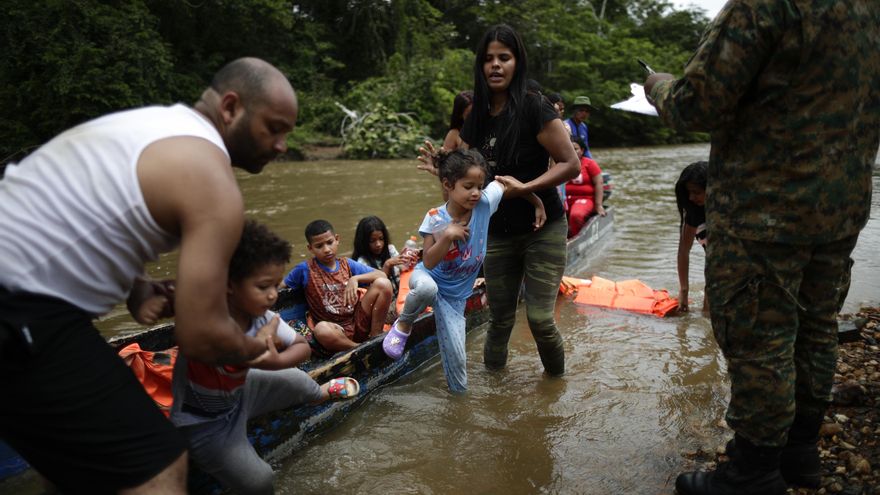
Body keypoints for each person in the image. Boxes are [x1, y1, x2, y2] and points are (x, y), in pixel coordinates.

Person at [0, 57, 299, 493]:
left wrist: (135, 284)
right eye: (274, 128)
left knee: (72, 469)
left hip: (28, 296)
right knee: (160, 469)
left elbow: (74, 216)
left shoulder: (152, 125)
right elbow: (200, 336)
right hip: (21, 303)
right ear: (231, 107)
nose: (282, 145)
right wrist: (256, 346)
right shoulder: (212, 178)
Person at [644, 2, 880, 494]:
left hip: (765, 207)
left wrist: (658, 85)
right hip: (842, 202)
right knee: (815, 328)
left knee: (760, 338)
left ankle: (753, 469)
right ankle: (800, 450)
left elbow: (696, 103)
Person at [420, 24, 579, 378]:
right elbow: (473, 179)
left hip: (543, 228)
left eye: (504, 58)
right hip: (496, 232)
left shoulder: (535, 109)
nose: (495, 65)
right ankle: (493, 397)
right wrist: (444, 175)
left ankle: (556, 389)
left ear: (516, 63)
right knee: (500, 319)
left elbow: (571, 165)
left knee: (539, 318)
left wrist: (528, 190)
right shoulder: (475, 118)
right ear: (480, 66)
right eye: (488, 59)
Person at [170, 219, 359, 495]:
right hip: (205, 421)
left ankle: (321, 394)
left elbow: (301, 345)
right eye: (262, 287)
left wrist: (276, 362)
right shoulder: (204, 318)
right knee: (260, 481)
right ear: (229, 286)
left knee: (297, 379)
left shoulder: (261, 315)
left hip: (243, 390)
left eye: (274, 285)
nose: (273, 296)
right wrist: (253, 352)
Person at [385, 149, 545, 392]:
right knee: (428, 288)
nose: (475, 193)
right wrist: (448, 236)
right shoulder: (435, 218)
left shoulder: (484, 203)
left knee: (458, 361)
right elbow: (427, 262)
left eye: (479, 186)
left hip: (455, 297)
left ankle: (458, 408)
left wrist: (537, 202)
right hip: (429, 277)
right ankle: (404, 324)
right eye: (468, 186)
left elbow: (506, 182)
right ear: (448, 185)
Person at [281, 219, 393, 354]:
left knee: (384, 284)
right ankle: (358, 349)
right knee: (321, 329)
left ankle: (376, 337)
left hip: (357, 320)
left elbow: (381, 275)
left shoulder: (347, 264)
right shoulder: (304, 269)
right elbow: (281, 286)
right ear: (310, 249)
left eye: (330, 243)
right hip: (335, 331)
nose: (327, 249)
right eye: (319, 246)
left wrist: (355, 278)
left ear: (337, 239)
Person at [674, 161, 707, 313]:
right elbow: (683, 251)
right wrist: (684, 291)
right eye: (689, 192)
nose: (691, 197)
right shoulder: (694, 213)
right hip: (715, 271)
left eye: (697, 192)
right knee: (706, 316)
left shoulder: (729, 211)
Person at [565, 135, 606, 238]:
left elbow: (599, 184)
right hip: (564, 199)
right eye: (569, 148)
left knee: (576, 215)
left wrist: (598, 205)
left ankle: (575, 240)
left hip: (584, 199)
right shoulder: (559, 163)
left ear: (582, 150)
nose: (572, 152)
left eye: (575, 149)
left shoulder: (589, 163)